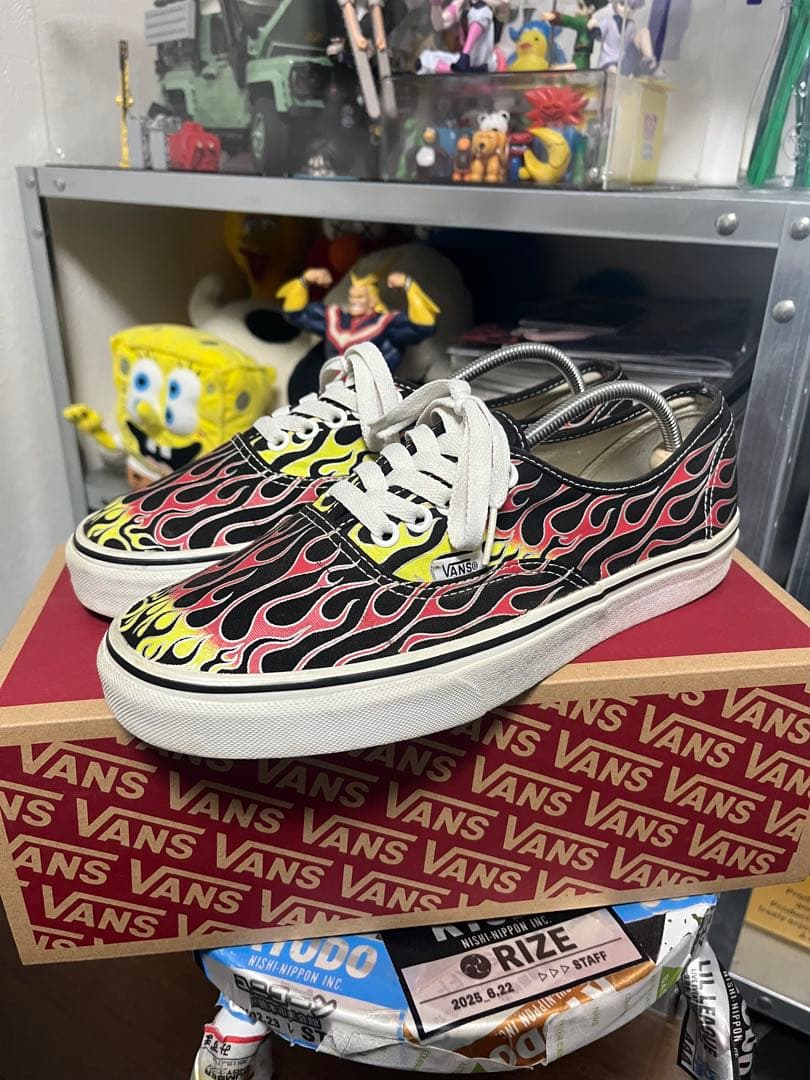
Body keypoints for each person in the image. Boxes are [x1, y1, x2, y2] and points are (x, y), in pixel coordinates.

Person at [277, 268, 440, 396]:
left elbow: (423, 326)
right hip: (331, 391)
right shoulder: (336, 319)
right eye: (352, 296)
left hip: (371, 394)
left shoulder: (386, 325)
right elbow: (295, 313)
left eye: (360, 297)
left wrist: (408, 285)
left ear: (372, 299)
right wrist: (305, 280)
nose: (354, 301)